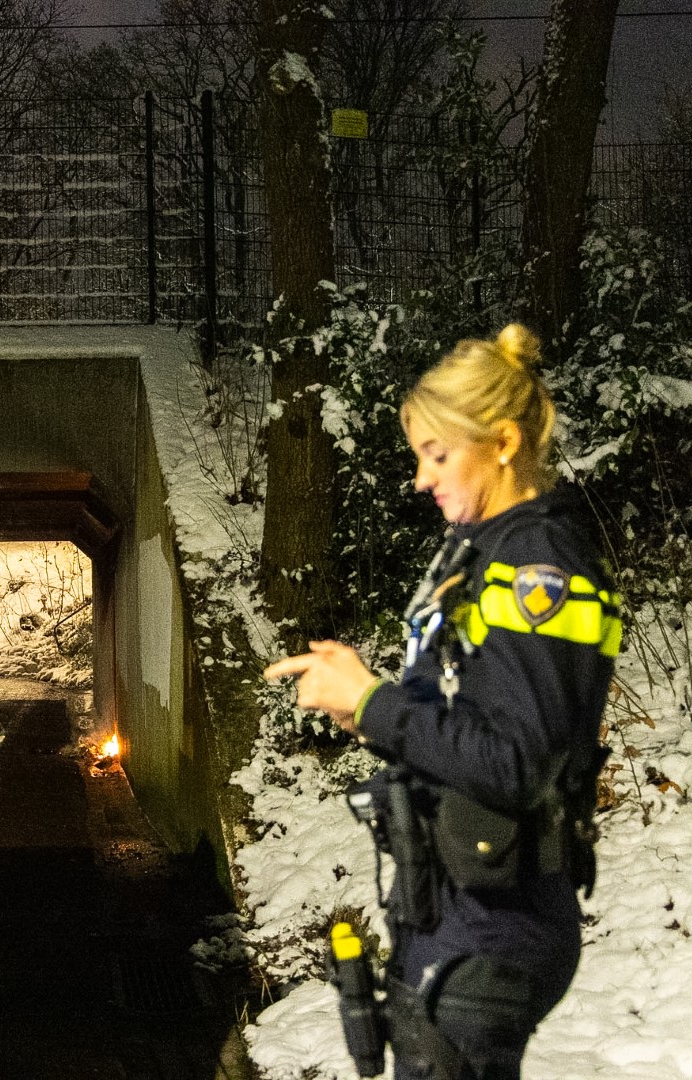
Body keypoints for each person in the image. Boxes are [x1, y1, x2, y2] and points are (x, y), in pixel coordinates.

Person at [263, 324, 620, 1080]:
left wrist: (374, 703)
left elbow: (517, 760)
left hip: (496, 924)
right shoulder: (487, 549)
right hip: (454, 910)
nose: (423, 479)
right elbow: (467, 722)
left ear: (502, 441)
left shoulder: (537, 565)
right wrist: (364, 703)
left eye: (437, 454)